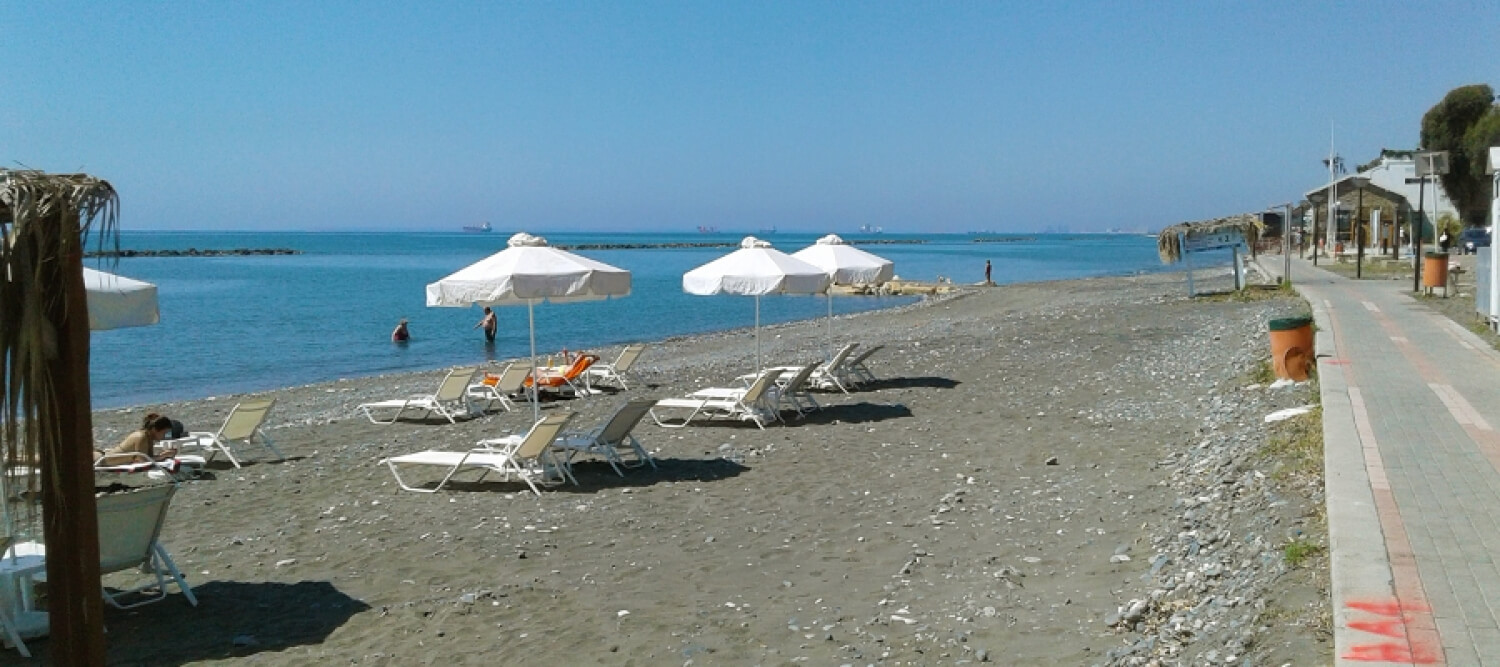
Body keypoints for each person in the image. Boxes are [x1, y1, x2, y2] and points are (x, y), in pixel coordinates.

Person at [95, 413, 178, 465]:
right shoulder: (141, 437)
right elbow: (143, 461)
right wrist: (163, 455)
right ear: (154, 430)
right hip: (101, 460)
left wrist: (164, 454)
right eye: (164, 433)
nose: (164, 436)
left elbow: (149, 458)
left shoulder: (149, 438)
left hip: (105, 457)